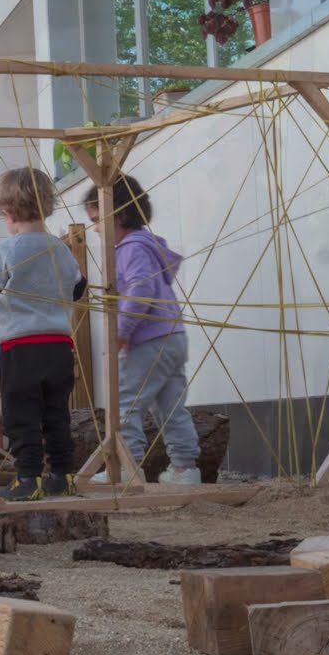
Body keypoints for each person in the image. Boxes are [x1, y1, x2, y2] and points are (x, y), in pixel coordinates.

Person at [0, 167, 87, 501]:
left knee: (20, 412)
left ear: (8, 212)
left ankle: (27, 477)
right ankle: (62, 474)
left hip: (20, 346)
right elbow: (78, 288)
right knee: (56, 411)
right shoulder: (61, 248)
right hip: (58, 346)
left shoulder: (6, 250)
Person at [84, 175, 201, 485]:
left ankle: (124, 467)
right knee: (171, 405)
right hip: (173, 337)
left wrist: (122, 330)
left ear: (118, 215)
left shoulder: (130, 248)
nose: (95, 229)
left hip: (148, 340)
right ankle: (184, 468)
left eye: (97, 220)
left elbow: (141, 289)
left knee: (125, 404)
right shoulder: (147, 245)